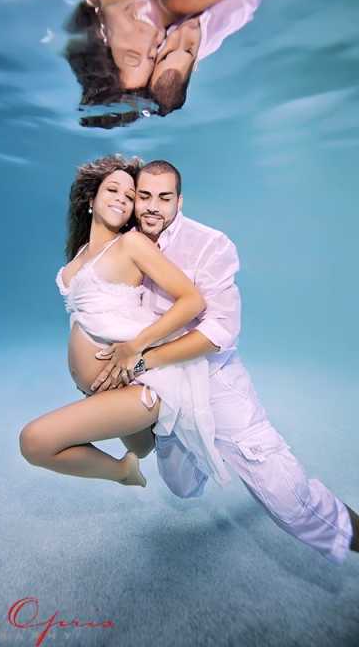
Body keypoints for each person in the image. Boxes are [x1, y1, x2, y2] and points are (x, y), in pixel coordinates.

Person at [90, 158, 359, 563]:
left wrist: (143, 359)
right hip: (162, 389)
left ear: (180, 201)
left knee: (286, 496)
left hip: (214, 379)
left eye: (164, 198)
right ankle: (207, 451)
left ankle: (346, 529)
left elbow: (220, 332)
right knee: (182, 487)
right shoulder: (125, 242)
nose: (152, 207)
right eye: (143, 196)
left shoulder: (209, 244)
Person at [19, 154, 232, 491]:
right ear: (91, 199)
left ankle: (123, 472)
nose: (122, 198)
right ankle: (145, 447)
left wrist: (135, 346)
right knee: (142, 447)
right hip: (104, 388)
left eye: (130, 195)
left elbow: (193, 300)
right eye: (113, 189)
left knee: (33, 441)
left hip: (142, 387)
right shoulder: (80, 253)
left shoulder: (131, 244)